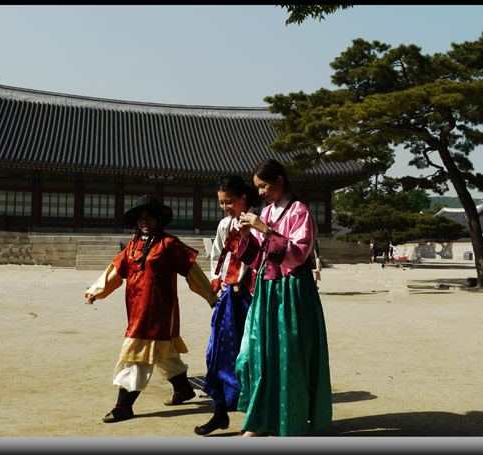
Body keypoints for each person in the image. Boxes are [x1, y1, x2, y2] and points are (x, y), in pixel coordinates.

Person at [84, 195, 219, 423]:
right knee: (164, 353)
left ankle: (124, 406)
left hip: (158, 312)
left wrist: (211, 296)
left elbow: (192, 271)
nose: (145, 222)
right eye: (141, 218)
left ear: (159, 220)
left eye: (150, 217)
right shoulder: (133, 247)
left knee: (136, 356)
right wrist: (96, 290)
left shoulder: (169, 244)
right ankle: (184, 389)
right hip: (137, 311)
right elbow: (115, 271)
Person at [235, 158, 332, 436]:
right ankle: (260, 419)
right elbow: (258, 258)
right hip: (267, 289)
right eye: (258, 187)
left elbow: (297, 254)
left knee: (291, 354)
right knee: (260, 351)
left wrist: (263, 230)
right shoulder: (265, 213)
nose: (261, 192)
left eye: (263, 185)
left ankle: (290, 420)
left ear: (280, 179)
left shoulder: (299, 211)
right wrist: (247, 236)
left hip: (293, 289)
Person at [194, 175, 260, 436]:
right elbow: (218, 258)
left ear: (244, 198)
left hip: (251, 297)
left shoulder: (258, 222)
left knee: (249, 356)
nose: (225, 207)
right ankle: (219, 412)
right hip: (228, 297)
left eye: (229, 202)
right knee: (217, 354)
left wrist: (242, 281)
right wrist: (220, 283)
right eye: (222, 203)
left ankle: (254, 416)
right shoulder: (225, 224)